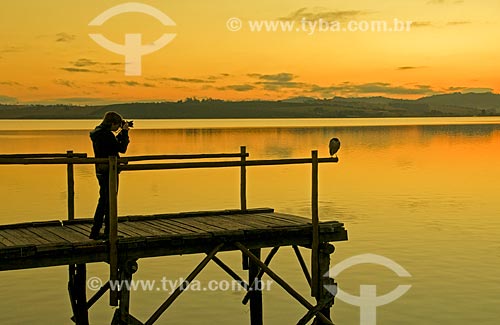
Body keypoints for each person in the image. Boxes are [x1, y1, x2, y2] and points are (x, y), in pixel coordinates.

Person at [89, 111, 130, 239]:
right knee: (108, 201)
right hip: (109, 171)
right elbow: (121, 148)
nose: (117, 128)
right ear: (112, 123)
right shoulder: (106, 135)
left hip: (101, 170)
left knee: (104, 200)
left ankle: (98, 231)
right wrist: (125, 133)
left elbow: (112, 146)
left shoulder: (98, 133)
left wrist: (120, 133)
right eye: (117, 126)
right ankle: (105, 232)